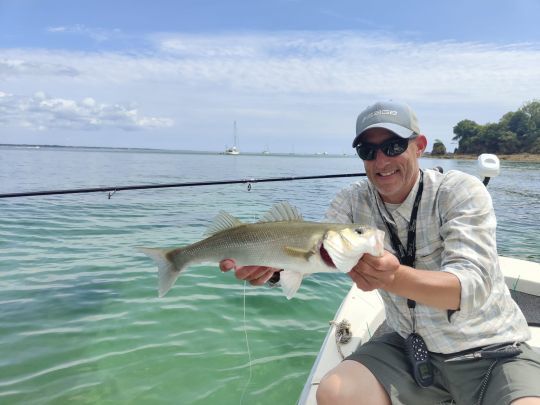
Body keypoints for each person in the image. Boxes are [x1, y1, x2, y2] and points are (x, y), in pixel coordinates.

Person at [220, 101, 540, 404]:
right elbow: (315, 251)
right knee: (334, 392)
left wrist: (394, 277)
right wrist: (274, 269)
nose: (381, 161)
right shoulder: (351, 201)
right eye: (368, 151)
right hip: (408, 348)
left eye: (393, 146)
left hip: (492, 350)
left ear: (420, 145)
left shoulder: (460, 192)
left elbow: (469, 289)